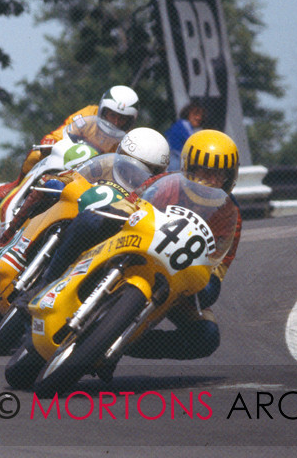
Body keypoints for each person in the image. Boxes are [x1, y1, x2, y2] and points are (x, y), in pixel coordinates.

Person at [22, 129, 242, 365]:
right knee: (90, 221)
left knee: (206, 337)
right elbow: (131, 202)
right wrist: (115, 212)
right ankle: (47, 283)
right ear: (188, 166)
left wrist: (208, 286)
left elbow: (218, 267)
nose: (210, 179)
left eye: (219, 174)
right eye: (203, 171)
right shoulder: (166, 183)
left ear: (230, 177)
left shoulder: (231, 214)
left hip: (177, 278)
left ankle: (120, 341)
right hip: (134, 245)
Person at [0, 127, 170, 268]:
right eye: (128, 161)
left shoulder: (155, 189)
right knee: (50, 185)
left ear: (158, 172)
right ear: (120, 153)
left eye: (147, 169)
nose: (134, 171)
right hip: (82, 208)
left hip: (112, 232)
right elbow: (75, 174)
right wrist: (58, 179)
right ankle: (4, 242)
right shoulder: (106, 164)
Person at [0, 85, 141, 205]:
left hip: (92, 179)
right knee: (36, 155)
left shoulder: (129, 141)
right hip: (68, 161)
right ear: (102, 110)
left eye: (122, 119)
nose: (115, 122)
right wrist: (51, 140)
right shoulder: (88, 113)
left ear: (130, 121)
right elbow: (65, 130)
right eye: (112, 115)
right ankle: (17, 186)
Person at [164, 99, 207, 171]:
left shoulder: (183, 125)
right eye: (195, 114)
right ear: (187, 113)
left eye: (201, 116)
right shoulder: (184, 124)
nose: (199, 118)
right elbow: (194, 143)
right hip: (175, 159)